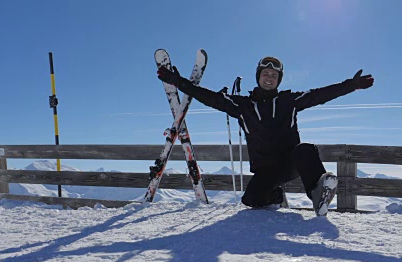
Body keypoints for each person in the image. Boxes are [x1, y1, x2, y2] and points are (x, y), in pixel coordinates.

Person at [157, 56, 374, 216]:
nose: (269, 77)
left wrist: (351, 85)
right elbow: (209, 98)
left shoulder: (289, 101)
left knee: (305, 150)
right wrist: (179, 82)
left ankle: (318, 193)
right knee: (251, 200)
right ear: (258, 77)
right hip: (266, 172)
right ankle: (276, 196)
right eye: (265, 74)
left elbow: (320, 95)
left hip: (290, 163)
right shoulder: (242, 105)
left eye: (273, 75)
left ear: (278, 80)